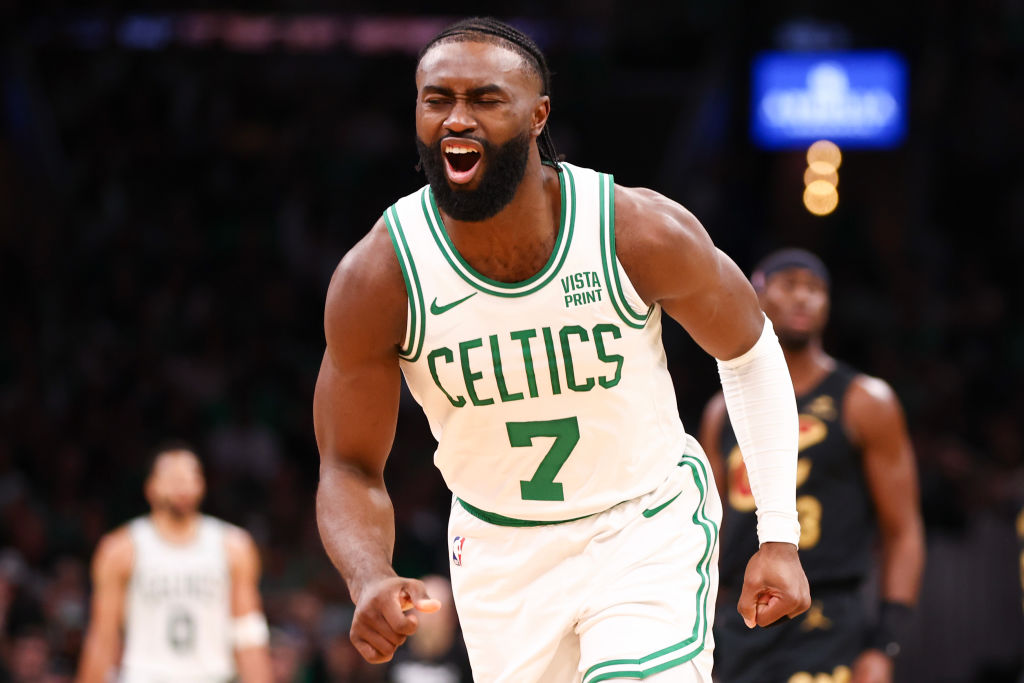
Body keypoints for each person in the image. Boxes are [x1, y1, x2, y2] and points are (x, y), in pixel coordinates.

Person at [313, 17, 810, 683]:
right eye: (438, 100)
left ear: (538, 115)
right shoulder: (379, 276)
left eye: (485, 99)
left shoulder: (633, 229)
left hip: (642, 523)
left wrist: (778, 532)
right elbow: (347, 463)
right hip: (499, 551)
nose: (457, 118)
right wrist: (368, 573)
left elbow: (749, 352)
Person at [699, 249, 926, 683]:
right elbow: (712, 524)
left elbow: (903, 531)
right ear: (756, 293)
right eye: (789, 285)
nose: (804, 297)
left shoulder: (866, 400)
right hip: (742, 621)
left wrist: (884, 645)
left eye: (816, 289)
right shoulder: (721, 410)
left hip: (830, 622)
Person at [76, 444, 272, 683]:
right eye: (172, 477)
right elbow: (103, 638)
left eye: (191, 476)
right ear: (150, 487)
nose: (182, 484)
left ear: (202, 486)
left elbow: (248, 634)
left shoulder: (234, 546)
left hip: (213, 676)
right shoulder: (120, 549)